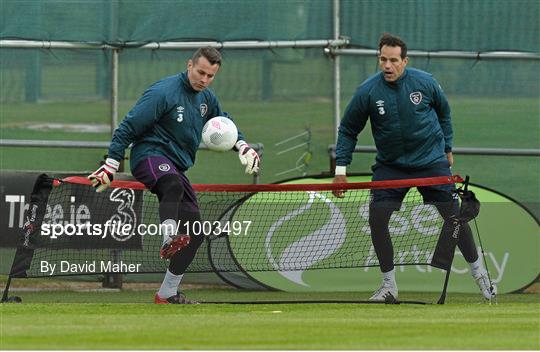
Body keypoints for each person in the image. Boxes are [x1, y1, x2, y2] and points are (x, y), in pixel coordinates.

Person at [88, 47, 260, 304]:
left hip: (176, 168)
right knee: (171, 184)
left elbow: (223, 122)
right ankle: (169, 238)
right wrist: (111, 164)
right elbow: (128, 126)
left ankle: (167, 292)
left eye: (210, 76)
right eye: (200, 72)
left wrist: (243, 146)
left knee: (195, 233)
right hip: (149, 155)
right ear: (189, 65)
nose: (204, 79)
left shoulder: (207, 98)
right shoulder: (163, 92)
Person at [332, 33, 496, 302]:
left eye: (393, 60)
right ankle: (388, 286)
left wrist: (447, 147)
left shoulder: (425, 82)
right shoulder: (368, 91)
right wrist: (341, 171)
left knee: (455, 218)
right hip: (390, 167)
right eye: (383, 59)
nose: (387, 65)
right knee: (377, 219)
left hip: (431, 162)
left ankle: (482, 277)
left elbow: (444, 113)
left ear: (404, 61)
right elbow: (348, 129)